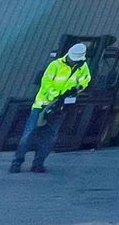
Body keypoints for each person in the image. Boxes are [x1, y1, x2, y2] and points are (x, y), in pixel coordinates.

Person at [10, 43, 92, 173]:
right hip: (42, 105)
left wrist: (77, 89)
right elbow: (46, 85)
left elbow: (85, 80)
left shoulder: (82, 67)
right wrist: (57, 97)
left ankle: (38, 164)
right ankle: (16, 162)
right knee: (29, 134)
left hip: (60, 108)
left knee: (50, 137)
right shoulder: (55, 65)